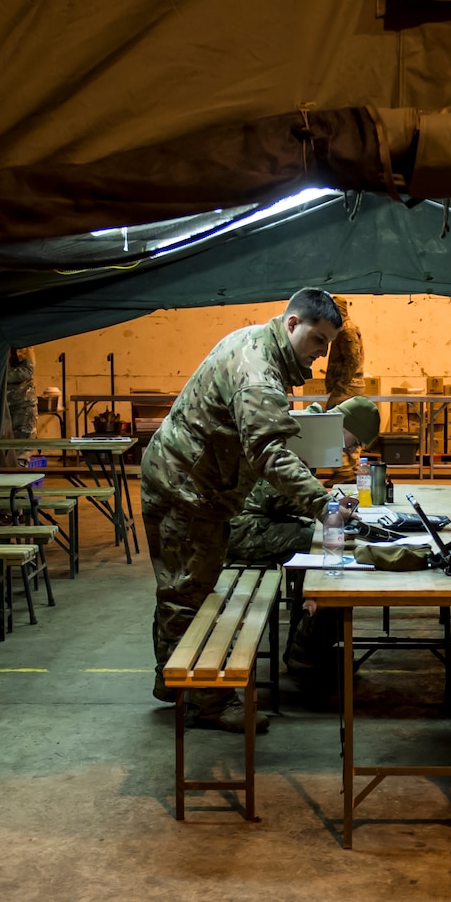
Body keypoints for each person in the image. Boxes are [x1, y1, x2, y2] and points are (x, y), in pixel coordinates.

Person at [141, 289, 345, 732]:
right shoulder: (258, 369)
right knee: (190, 592)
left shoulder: (253, 343)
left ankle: (170, 679)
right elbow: (268, 450)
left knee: (179, 587)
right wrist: (324, 504)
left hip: (184, 478)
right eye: (318, 340)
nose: (320, 355)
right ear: (293, 324)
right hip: (189, 489)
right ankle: (208, 704)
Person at [225, 397, 383, 566]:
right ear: (345, 425)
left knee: (318, 532)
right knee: (319, 538)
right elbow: (273, 498)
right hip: (235, 526)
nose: (353, 449)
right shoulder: (298, 432)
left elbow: (285, 495)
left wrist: (331, 505)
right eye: (356, 442)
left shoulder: (308, 430)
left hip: (250, 515)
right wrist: (323, 508)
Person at [323, 295, 365, 407]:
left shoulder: (347, 330)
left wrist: (341, 384)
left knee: (333, 419)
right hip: (346, 386)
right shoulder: (342, 329)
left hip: (347, 388)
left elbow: (353, 360)